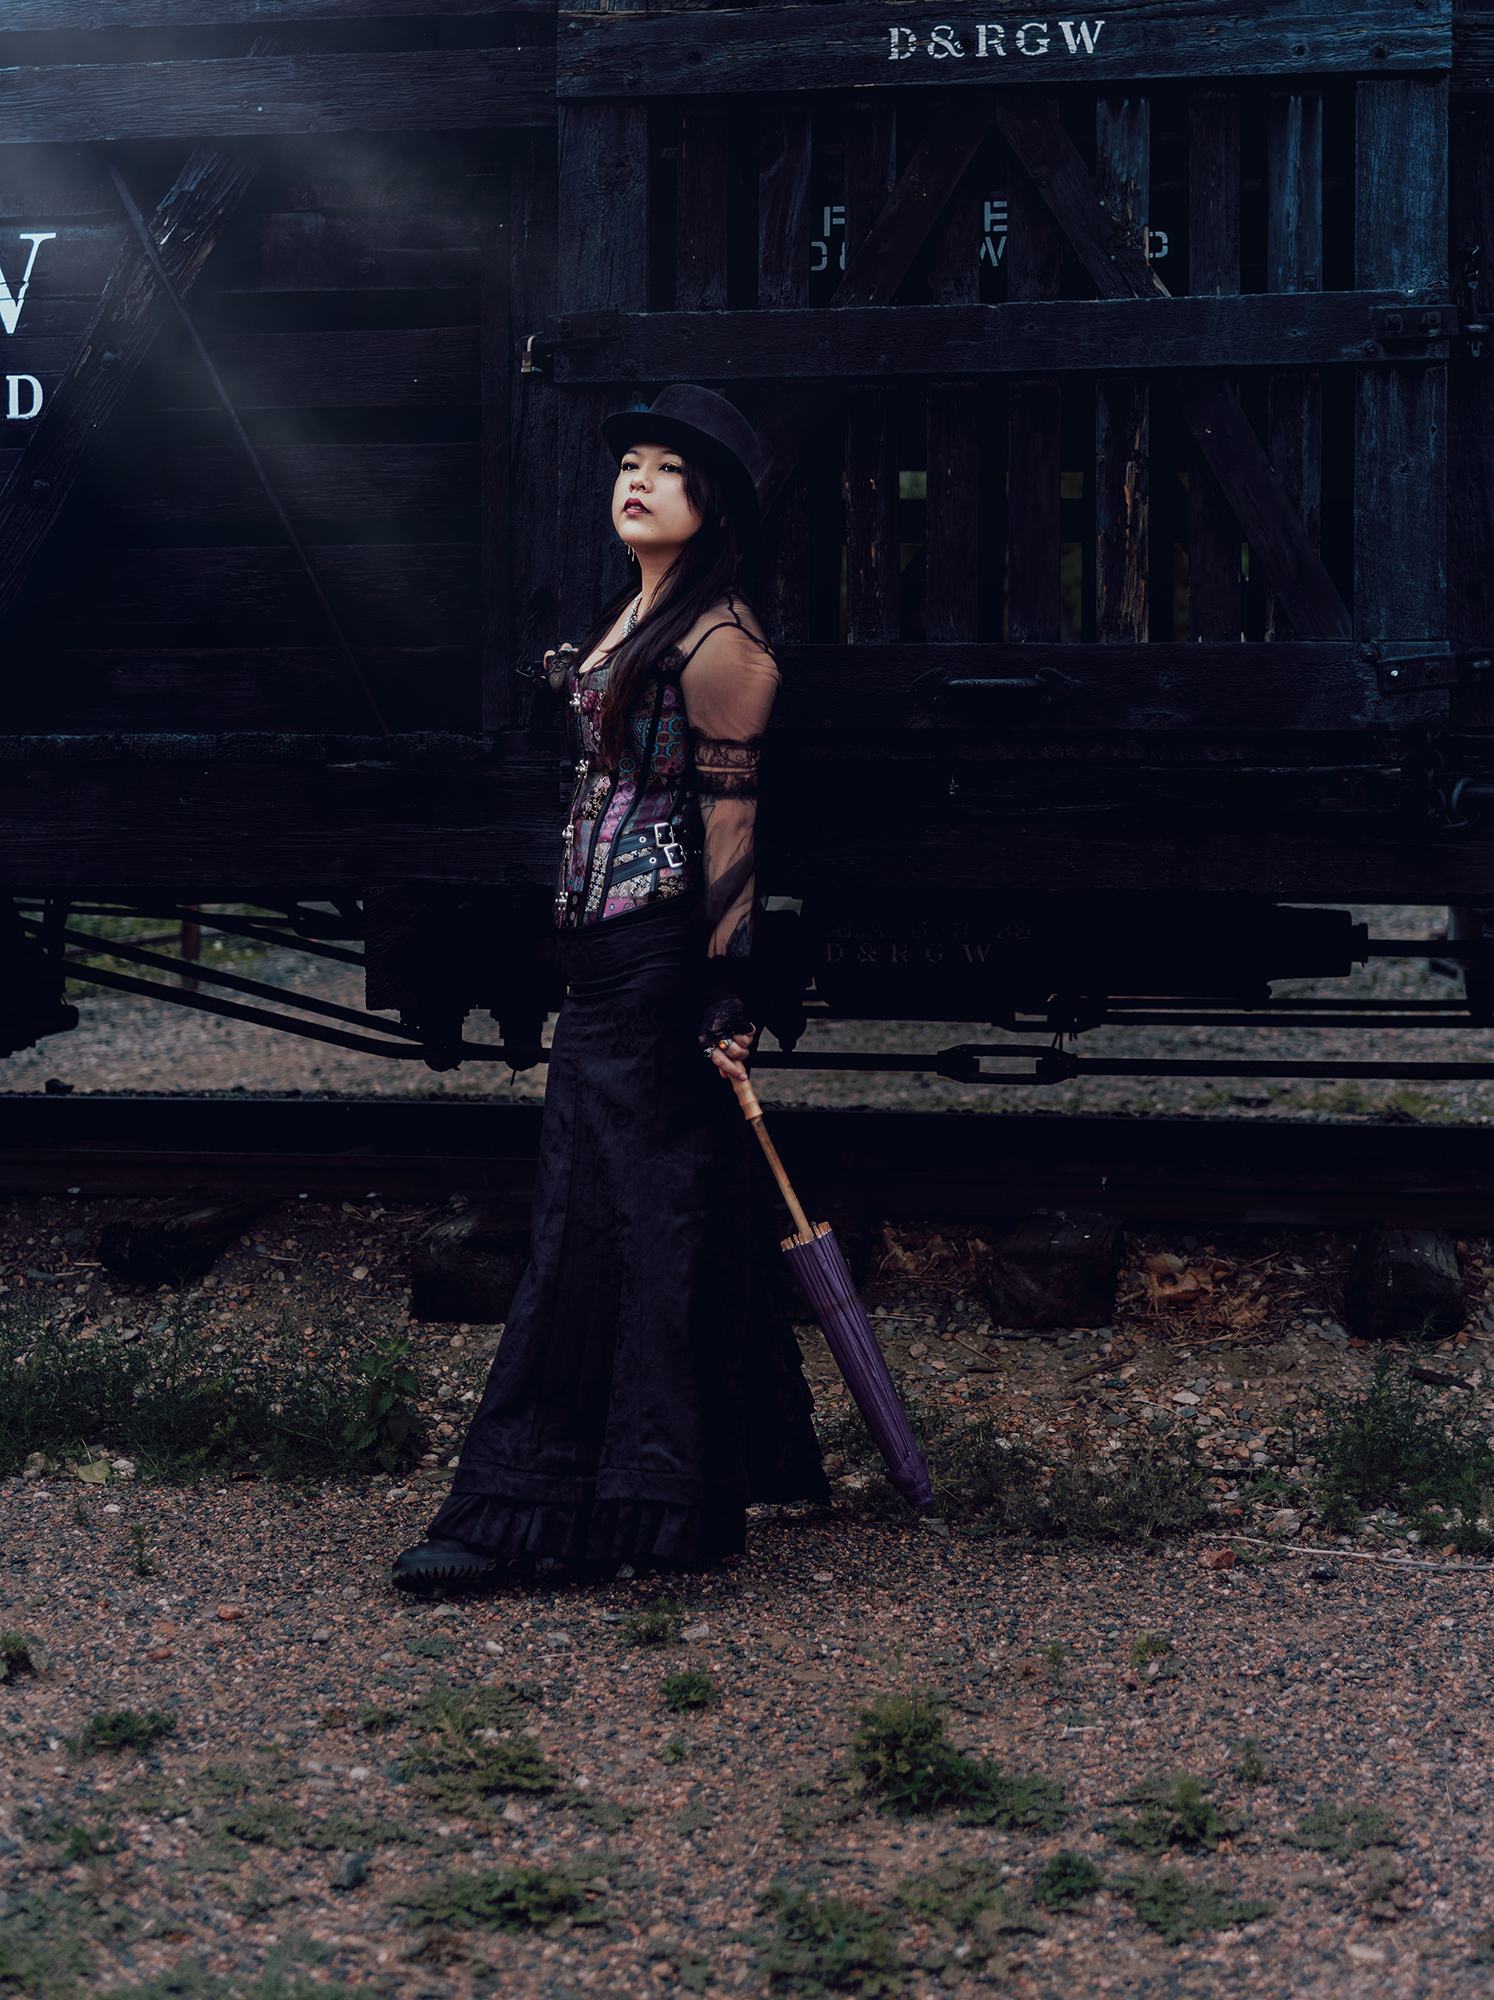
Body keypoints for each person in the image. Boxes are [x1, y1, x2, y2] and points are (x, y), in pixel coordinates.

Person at [392, 384, 828, 1581]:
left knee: (605, 1217)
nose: (636, 481)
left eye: (667, 470)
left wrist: (727, 983)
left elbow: (733, 825)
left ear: (715, 505)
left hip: (654, 963)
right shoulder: (637, 613)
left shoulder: (722, 640)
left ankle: (540, 1509)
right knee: (654, 1205)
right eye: (628, 464)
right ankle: (693, 1480)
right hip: (601, 955)